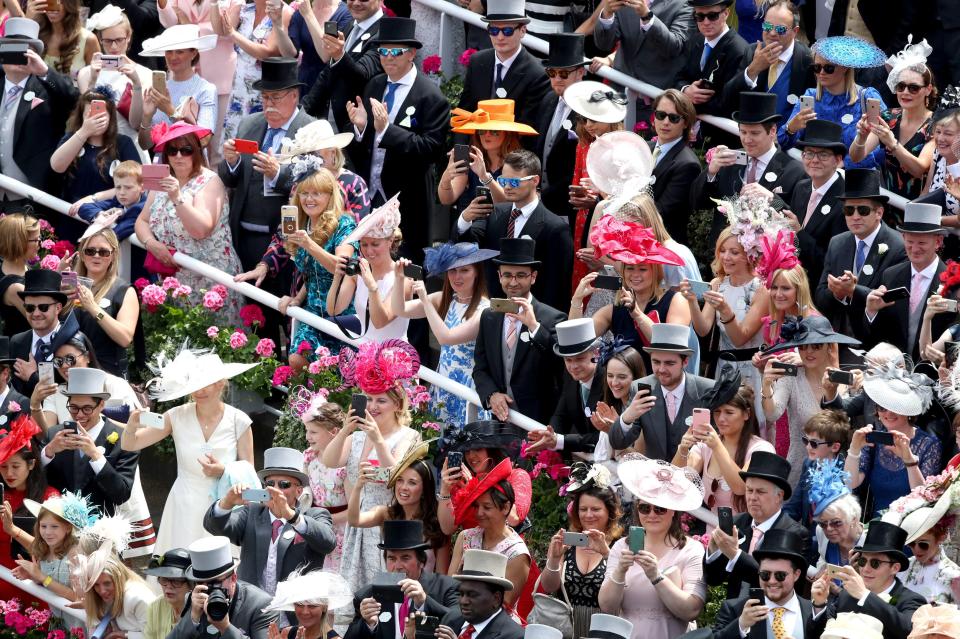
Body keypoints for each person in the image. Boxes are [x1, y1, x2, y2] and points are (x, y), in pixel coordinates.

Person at [122, 349, 257, 554]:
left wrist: (224, 471)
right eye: (194, 386)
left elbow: (250, 475)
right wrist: (132, 423)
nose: (199, 392)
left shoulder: (239, 420)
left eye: (205, 385)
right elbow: (131, 444)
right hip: (184, 503)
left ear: (221, 383)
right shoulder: (174, 416)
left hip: (223, 506)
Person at [343, 17, 450, 258]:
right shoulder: (374, 85)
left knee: (404, 268)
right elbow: (364, 146)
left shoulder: (430, 97)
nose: (388, 57)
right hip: (370, 194)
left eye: (396, 52)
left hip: (407, 201)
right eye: (383, 51)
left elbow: (431, 150)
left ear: (411, 53)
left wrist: (386, 130)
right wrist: (360, 128)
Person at [322, 339, 421, 592]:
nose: (373, 407)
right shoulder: (356, 436)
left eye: (381, 401)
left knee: (385, 597)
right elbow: (329, 460)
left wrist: (378, 439)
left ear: (397, 404)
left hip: (388, 524)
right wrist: (346, 429)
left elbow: (397, 476)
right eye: (368, 399)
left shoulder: (408, 436)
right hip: (358, 523)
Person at [135, 121, 243, 318]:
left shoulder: (209, 181)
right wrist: (151, 244)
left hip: (210, 283)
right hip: (173, 281)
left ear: (196, 153)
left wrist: (177, 197)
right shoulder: (162, 181)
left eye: (185, 150)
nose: (178, 156)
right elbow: (141, 222)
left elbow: (201, 229)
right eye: (172, 150)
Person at [219, 57, 314, 276]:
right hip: (242, 233)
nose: (269, 104)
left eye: (275, 97)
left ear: (294, 96)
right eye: (265, 97)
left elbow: (314, 185)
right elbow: (231, 180)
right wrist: (231, 163)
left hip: (283, 241)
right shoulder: (249, 124)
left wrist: (277, 173)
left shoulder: (311, 130)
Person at [204, 447, 337, 595]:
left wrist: (291, 516)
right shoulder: (251, 512)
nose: (275, 489)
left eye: (284, 484)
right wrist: (227, 502)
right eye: (270, 484)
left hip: (295, 610)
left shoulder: (314, 515)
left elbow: (328, 543)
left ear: (299, 491)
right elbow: (216, 528)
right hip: (254, 609)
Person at [390, 242, 496, 425]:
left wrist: (424, 299)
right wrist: (399, 279)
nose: (457, 276)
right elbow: (400, 310)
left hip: (468, 389)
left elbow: (446, 338)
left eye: (465, 270)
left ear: (477, 271)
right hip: (442, 385)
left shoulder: (485, 309)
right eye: (452, 270)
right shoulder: (444, 298)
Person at [599, 457, 706, 638]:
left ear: (673, 511)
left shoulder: (692, 549)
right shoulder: (621, 547)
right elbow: (607, 606)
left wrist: (656, 576)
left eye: (660, 509)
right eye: (644, 508)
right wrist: (620, 571)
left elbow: (692, 610)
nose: (651, 515)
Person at [456, 150, 574, 312]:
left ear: (535, 180)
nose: (508, 187)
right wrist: (465, 219)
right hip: (492, 312)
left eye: (515, 182)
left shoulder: (555, 228)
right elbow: (465, 248)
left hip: (531, 316)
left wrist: (540, 327)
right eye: (504, 180)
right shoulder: (493, 213)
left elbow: (556, 288)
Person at [569, 216, 689, 366]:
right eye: (630, 268)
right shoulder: (615, 309)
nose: (635, 275)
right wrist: (577, 300)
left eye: (643, 269)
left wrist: (637, 313)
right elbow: (574, 340)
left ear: (655, 271)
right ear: (623, 272)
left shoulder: (676, 300)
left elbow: (671, 347)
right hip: (621, 384)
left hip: (660, 382)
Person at [471, 237, 566, 424]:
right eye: (507, 275)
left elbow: (561, 366)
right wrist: (492, 394)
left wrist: (534, 327)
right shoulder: (489, 317)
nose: (513, 282)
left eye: (521, 275)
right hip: (500, 419)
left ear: (533, 277)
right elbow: (480, 368)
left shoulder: (553, 318)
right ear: (499, 276)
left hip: (538, 420)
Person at [691, 92, 806, 246]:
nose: (747, 139)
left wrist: (773, 199)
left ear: (772, 131)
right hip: (725, 254)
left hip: (767, 255)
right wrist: (711, 172)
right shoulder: (729, 160)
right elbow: (698, 203)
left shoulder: (794, 171)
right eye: (743, 132)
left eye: (754, 133)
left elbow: (795, 224)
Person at [760, 316, 860, 486]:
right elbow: (772, 414)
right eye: (803, 347)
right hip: (798, 471)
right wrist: (767, 385)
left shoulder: (846, 380)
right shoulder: (791, 378)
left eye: (816, 346)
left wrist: (862, 386)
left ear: (829, 346)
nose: (809, 352)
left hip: (836, 474)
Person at [814, 169, 908, 343]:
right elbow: (820, 297)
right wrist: (837, 293)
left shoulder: (898, 247)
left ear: (879, 213)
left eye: (863, 210)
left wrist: (853, 291)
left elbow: (892, 301)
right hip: (838, 340)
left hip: (877, 343)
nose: (855, 216)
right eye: (849, 210)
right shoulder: (837, 243)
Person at [276, 163, 357, 360]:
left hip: (339, 313)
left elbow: (342, 267)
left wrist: (309, 244)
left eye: (317, 193)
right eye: (305, 193)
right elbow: (311, 272)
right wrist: (297, 299)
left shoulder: (344, 223)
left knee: (335, 379)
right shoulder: (301, 224)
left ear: (330, 196)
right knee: (296, 360)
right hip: (312, 312)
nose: (309, 199)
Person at [704, 451, 811, 599]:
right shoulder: (738, 523)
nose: (753, 497)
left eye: (760, 492)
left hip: (772, 615)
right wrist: (714, 550)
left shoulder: (795, 533)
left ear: (779, 497)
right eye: (749, 490)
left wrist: (735, 555)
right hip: (734, 615)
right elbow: (713, 579)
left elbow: (781, 586)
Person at [845, 361, 942, 518]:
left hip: (910, 529)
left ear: (909, 410)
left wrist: (909, 461)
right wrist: (854, 450)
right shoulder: (873, 439)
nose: (888, 413)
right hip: (876, 526)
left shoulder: (929, 445)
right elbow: (850, 483)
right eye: (882, 407)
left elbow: (925, 498)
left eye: (896, 407)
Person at [607, 324, 714, 462]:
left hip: (694, 478)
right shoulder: (640, 388)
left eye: (669, 363)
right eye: (656, 362)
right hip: (655, 478)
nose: (661, 369)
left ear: (685, 362)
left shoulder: (707, 389)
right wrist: (627, 417)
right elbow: (618, 442)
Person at [0, 18, 79, 206]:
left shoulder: (48, 89)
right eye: (12, 49)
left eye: (24, 51)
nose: (18, 56)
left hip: (32, 192)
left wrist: (44, 71)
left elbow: (74, 99)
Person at [39, 368, 138, 515]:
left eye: (87, 409)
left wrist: (96, 457)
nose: (79, 415)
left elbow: (121, 494)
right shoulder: (54, 435)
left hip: (100, 527)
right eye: (73, 408)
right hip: (57, 524)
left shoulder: (124, 440)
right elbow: (32, 480)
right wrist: (48, 452)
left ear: (101, 405)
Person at [675, 376, 775, 520]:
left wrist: (717, 446)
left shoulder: (761, 449)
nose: (721, 419)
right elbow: (678, 483)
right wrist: (683, 449)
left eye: (729, 412)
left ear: (747, 414)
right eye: (717, 411)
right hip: (711, 533)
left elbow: (741, 487)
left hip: (745, 534)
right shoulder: (704, 446)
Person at [779, 36, 888, 168]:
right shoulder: (811, 97)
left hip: (853, 180)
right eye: (817, 67)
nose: (821, 73)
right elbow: (784, 143)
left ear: (845, 68)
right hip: (817, 175)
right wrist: (791, 128)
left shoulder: (867, 97)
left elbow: (882, 144)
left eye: (829, 68)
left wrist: (843, 163)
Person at [541, 463, 622, 639]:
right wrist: (554, 559)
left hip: (602, 629)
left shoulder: (619, 546)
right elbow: (548, 587)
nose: (588, 515)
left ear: (610, 512)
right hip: (565, 627)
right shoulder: (566, 542)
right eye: (583, 509)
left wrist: (607, 554)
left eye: (596, 509)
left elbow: (626, 593)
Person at [49, 87, 140, 242]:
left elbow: (137, 182)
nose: (95, 119)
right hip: (71, 217)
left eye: (101, 115)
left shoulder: (123, 143)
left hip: (106, 219)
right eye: (89, 114)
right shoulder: (73, 137)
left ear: (110, 117)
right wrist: (84, 132)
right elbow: (57, 166)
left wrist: (94, 198)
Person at [807, 522, 926, 639]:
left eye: (875, 563)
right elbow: (817, 634)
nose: (865, 569)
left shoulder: (911, 600)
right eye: (862, 561)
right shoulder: (846, 595)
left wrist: (865, 596)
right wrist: (819, 604)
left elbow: (910, 631)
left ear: (895, 568)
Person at [849, 40, 936, 201]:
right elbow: (856, 157)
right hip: (888, 202)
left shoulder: (936, 124)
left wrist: (892, 143)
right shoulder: (889, 117)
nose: (905, 92)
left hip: (916, 208)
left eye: (913, 87)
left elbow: (919, 169)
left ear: (928, 90)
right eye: (900, 86)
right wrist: (861, 136)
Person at [344, 520, 459, 639]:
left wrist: (424, 601)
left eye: (405, 558)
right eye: (392, 558)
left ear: (421, 562)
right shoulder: (368, 595)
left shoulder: (445, 587)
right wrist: (368, 623)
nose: (398, 566)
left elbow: (458, 622)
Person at [865, 202, 949, 361]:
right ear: (903, 238)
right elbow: (877, 335)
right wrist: (872, 312)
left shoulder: (952, 283)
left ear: (938, 242)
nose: (915, 249)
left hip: (935, 374)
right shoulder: (890, 275)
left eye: (922, 243)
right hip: (893, 373)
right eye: (910, 242)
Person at [348, 442, 449, 572]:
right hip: (391, 588)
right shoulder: (386, 514)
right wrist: (358, 487)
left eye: (412, 482)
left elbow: (442, 576)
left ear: (425, 489)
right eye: (400, 480)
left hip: (424, 591)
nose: (403, 487)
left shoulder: (437, 524)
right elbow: (354, 520)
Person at [155, 0, 237, 157]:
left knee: (216, 142)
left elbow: (227, 30)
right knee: (177, 135)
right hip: (183, 73)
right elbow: (169, 22)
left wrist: (190, 28)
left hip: (219, 72)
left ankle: (213, 180)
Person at [448, 459, 532, 610]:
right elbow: (449, 587)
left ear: (505, 508)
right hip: (457, 614)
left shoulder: (518, 553)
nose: (479, 513)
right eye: (477, 506)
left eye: (486, 507)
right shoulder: (466, 537)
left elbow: (504, 604)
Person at [325, 196, 410, 342]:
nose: (369, 251)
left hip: (394, 355)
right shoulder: (358, 273)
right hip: (365, 350)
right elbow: (333, 310)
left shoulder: (403, 277)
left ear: (390, 241)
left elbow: (380, 322)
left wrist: (372, 287)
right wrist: (337, 277)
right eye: (364, 245)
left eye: (375, 244)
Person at [456, 0, 551, 130]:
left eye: (507, 31)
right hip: (475, 145)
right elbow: (464, 114)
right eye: (494, 30)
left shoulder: (537, 74)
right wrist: (461, 150)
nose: (500, 37)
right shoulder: (477, 62)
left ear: (522, 30)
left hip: (511, 148)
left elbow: (527, 128)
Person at [168, 535, 279, 639]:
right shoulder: (195, 599)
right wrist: (192, 618)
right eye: (201, 583)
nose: (208, 589)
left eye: (215, 583)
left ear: (234, 578)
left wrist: (225, 627)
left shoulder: (262, 606)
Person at [592, 0, 691, 115]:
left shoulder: (683, 4)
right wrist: (607, 14)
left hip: (656, 101)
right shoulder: (625, 2)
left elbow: (674, 48)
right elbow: (604, 44)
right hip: (618, 92)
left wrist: (647, 16)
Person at [782, 119, 849, 288]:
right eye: (809, 153)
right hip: (789, 282)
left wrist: (799, 232)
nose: (815, 160)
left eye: (823, 155)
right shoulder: (802, 187)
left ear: (838, 160)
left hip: (818, 287)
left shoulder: (845, 202)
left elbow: (829, 261)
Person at [76, 5, 150, 158]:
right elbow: (84, 116)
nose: (114, 46)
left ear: (128, 37)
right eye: (108, 41)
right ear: (100, 40)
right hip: (97, 150)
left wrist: (136, 84)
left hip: (131, 150)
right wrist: (93, 81)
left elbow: (136, 124)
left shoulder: (144, 74)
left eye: (119, 40)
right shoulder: (85, 73)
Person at [0, 416, 60, 601]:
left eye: (15, 466)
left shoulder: (50, 498)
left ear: (32, 464)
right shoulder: (2, 495)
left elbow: (53, 551)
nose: (9, 473)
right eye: (3, 466)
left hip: (32, 584)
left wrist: (13, 530)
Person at [214, 0, 292, 142]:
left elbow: (268, 52)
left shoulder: (283, 11)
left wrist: (233, 34)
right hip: (238, 89)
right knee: (232, 145)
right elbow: (220, 31)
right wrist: (213, 4)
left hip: (264, 91)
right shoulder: (246, 9)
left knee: (255, 142)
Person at [711, 530, 813, 639]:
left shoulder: (813, 612)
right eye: (765, 574)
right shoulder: (735, 608)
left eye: (780, 575)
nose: (772, 581)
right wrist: (741, 625)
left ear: (796, 575)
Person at [300, 0, 383, 133]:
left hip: (356, 129)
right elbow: (328, 72)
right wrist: (302, 112)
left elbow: (362, 75)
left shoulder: (385, 31)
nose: (356, 3)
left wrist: (340, 55)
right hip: (328, 122)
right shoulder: (351, 24)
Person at [31, 331, 142, 431]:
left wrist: (99, 421)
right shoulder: (55, 392)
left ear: (87, 357)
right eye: (58, 361)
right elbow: (47, 436)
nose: (65, 365)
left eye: (70, 359)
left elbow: (141, 426)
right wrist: (35, 405)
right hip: (72, 451)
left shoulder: (115, 384)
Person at [724, 0, 815, 122]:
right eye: (767, 26)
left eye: (781, 29)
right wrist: (753, 69)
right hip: (750, 135)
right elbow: (728, 99)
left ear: (795, 31)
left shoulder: (808, 60)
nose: (772, 33)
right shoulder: (751, 51)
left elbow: (810, 111)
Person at [443, 99, 534, 218]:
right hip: (471, 227)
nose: (487, 134)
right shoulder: (467, 156)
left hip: (505, 229)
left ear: (507, 133)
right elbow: (447, 199)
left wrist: (485, 177)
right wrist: (446, 177)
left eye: (494, 131)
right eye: (482, 130)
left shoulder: (520, 163)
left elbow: (509, 202)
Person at [527, 319, 604, 459]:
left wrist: (559, 441)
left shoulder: (609, 380)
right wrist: (550, 434)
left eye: (579, 359)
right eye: (568, 360)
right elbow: (561, 415)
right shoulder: (570, 376)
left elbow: (607, 435)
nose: (573, 367)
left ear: (596, 353)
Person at [532, 34, 588, 226]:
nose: (557, 79)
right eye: (551, 73)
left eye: (564, 74)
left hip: (570, 208)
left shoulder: (589, 111)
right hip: (539, 204)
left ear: (580, 73)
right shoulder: (548, 100)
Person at [69, 229, 139, 377]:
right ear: (82, 254)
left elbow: (125, 338)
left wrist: (94, 308)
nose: (96, 256)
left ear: (113, 256)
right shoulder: (69, 285)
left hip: (107, 373)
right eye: (90, 251)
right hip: (67, 370)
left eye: (103, 252)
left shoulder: (123, 290)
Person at [136, 24, 218, 139]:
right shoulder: (159, 90)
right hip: (162, 156)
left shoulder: (206, 89)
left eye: (180, 52)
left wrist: (170, 110)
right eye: (169, 51)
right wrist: (146, 116)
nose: (173, 57)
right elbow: (146, 145)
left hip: (191, 156)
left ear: (193, 53)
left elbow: (204, 138)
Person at [10, 270, 81, 398]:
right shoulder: (17, 341)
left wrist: (32, 377)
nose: (36, 313)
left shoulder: (72, 342)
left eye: (43, 307)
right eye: (30, 308)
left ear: (58, 308)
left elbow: (74, 391)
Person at [297, 392, 348, 571]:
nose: (307, 437)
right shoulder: (309, 457)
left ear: (333, 432)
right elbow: (305, 486)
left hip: (341, 529)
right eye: (306, 430)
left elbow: (354, 508)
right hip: (316, 526)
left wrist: (326, 521)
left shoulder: (344, 464)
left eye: (313, 432)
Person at [675, 0, 749, 118]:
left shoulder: (739, 51)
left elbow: (729, 102)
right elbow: (678, 76)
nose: (706, 22)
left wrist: (690, 102)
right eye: (699, 16)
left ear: (726, 14)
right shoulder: (695, 40)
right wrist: (686, 91)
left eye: (712, 16)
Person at [782, 411, 851, 531]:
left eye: (814, 443)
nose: (808, 447)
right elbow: (795, 505)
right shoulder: (809, 464)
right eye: (806, 440)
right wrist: (775, 523)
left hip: (832, 536)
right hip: (808, 535)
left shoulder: (845, 471)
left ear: (835, 447)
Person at [649, 90, 701, 244]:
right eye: (661, 115)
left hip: (662, 243)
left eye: (673, 118)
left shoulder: (687, 164)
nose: (665, 122)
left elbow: (662, 211)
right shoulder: (644, 147)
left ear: (685, 123)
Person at [15, 494, 87, 603]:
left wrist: (42, 577)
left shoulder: (74, 553)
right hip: (56, 617)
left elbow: (79, 598)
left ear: (67, 528)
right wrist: (31, 575)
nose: (48, 532)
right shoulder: (44, 550)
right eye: (43, 526)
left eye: (54, 526)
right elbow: (41, 580)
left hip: (77, 619)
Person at [438, 549, 524, 639]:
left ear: (496, 599)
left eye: (472, 595)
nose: (463, 601)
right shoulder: (451, 619)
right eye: (461, 594)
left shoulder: (513, 636)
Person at [76, 550, 154, 631]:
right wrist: (88, 604)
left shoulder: (138, 598)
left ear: (118, 578)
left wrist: (124, 635)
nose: (102, 591)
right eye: (96, 585)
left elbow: (155, 636)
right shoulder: (110, 595)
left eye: (107, 583)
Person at [76, 160, 148, 245]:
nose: (122, 192)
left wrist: (119, 214)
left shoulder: (143, 208)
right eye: (118, 187)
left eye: (128, 188)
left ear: (142, 188)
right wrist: (101, 215)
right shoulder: (117, 201)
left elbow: (118, 232)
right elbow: (84, 207)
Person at [264, 570, 352, 639]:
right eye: (300, 605)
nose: (305, 612)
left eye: (312, 606)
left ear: (324, 607)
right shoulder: (287, 633)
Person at [898, 511, 960, 604]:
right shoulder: (903, 566)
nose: (916, 549)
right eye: (911, 543)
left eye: (923, 544)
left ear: (940, 538)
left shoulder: (953, 576)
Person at [29, 0, 99, 78]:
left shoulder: (88, 40)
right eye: (49, 1)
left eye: (59, 1)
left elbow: (96, 81)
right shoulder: (34, 34)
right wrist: (28, 21)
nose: (53, 7)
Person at [0, 212, 41, 337]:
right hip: (23, 353)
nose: (40, 243)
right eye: (36, 239)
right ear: (19, 243)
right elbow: (45, 320)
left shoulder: (23, 268)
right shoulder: (14, 287)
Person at [144, 548, 194, 639]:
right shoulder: (155, 607)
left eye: (177, 581)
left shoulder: (200, 611)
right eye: (164, 579)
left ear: (191, 585)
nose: (169, 586)